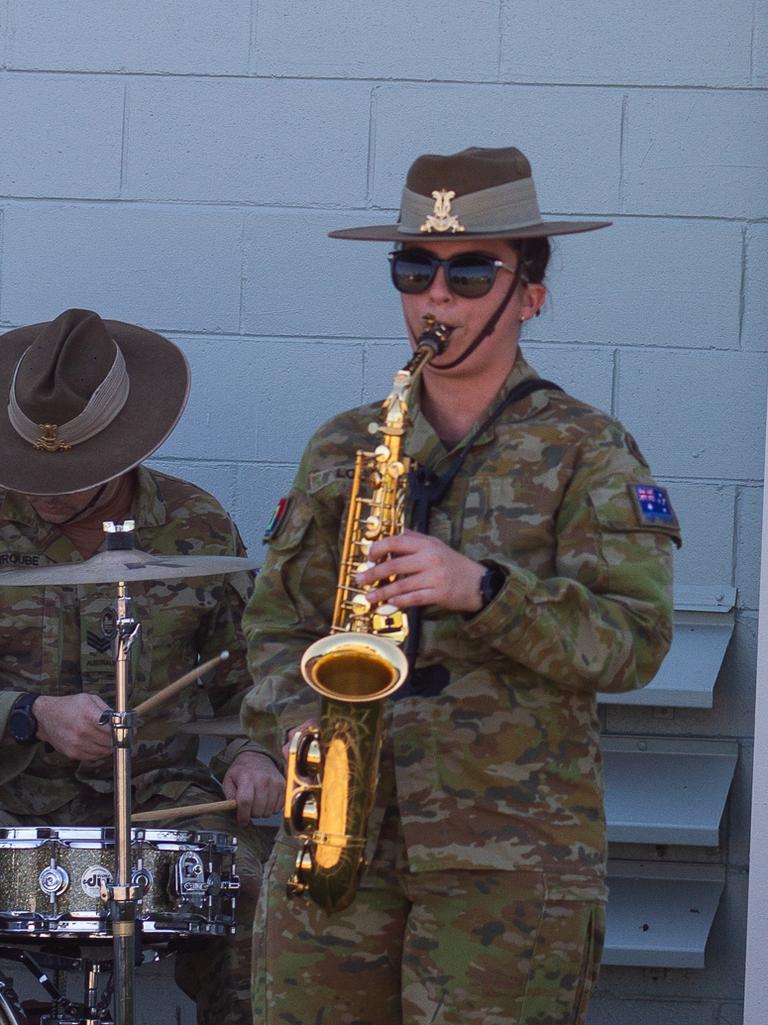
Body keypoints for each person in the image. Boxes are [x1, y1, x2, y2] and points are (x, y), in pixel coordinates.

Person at [242, 146, 682, 1025]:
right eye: (415, 269)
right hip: (339, 845)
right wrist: (289, 727)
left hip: (509, 865)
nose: (435, 298)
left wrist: (483, 589)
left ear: (531, 293)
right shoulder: (345, 446)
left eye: (470, 272)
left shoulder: (587, 449)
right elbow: (277, 623)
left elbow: (633, 640)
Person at [0, 308, 284, 1025]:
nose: (46, 490)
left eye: (71, 474)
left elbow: (254, 674)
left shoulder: (196, 525)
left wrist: (256, 754)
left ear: (125, 451)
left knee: (267, 904)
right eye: (33, 470)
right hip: (8, 799)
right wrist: (29, 713)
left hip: (161, 799)